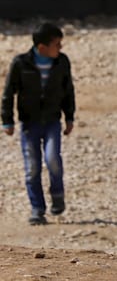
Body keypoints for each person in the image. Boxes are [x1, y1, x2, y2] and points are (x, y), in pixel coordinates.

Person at [2, 23, 76, 225]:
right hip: (29, 123)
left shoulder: (62, 62)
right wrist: (7, 120)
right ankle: (37, 208)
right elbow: (9, 92)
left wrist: (69, 117)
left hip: (52, 121)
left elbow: (68, 90)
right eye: (57, 44)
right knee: (32, 167)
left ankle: (57, 195)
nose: (60, 48)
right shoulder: (20, 63)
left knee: (53, 159)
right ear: (42, 47)